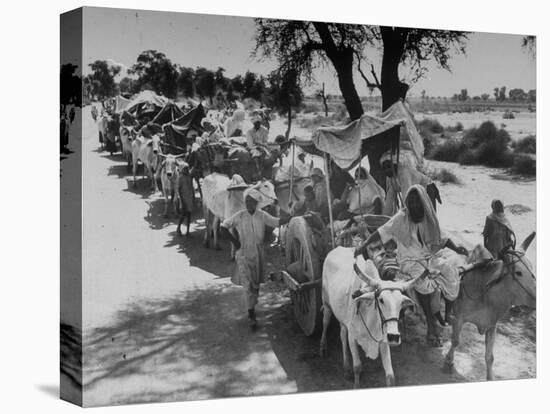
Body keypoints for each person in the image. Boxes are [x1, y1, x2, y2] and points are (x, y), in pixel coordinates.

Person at [356, 185, 468, 329]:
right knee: (421, 281)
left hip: (428, 257)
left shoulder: (429, 217)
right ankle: (430, 321)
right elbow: (382, 231)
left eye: (417, 202)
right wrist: (364, 245)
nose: (414, 205)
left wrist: (457, 248)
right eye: (412, 202)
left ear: (423, 202)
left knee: (450, 271)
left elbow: (443, 238)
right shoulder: (401, 218)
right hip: (408, 260)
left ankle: (448, 313)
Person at [220, 189, 291, 330]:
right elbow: (223, 226)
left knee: (256, 284)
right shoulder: (239, 216)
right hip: (243, 254)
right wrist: (235, 242)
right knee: (248, 285)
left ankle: (252, 304)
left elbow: (276, 222)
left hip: (258, 254)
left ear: (256, 203)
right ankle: (251, 314)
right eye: (247, 201)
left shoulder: (262, 215)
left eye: (252, 202)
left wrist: (291, 216)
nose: (249, 204)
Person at [380, 151, 438, 216]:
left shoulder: (404, 174)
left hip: (428, 188)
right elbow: (389, 201)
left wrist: (403, 216)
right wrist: (383, 217)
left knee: (430, 216)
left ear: (395, 165)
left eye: (389, 166)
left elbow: (406, 197)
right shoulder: (389, 178)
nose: (386, 170)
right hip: (416, 192)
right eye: (384, 168)